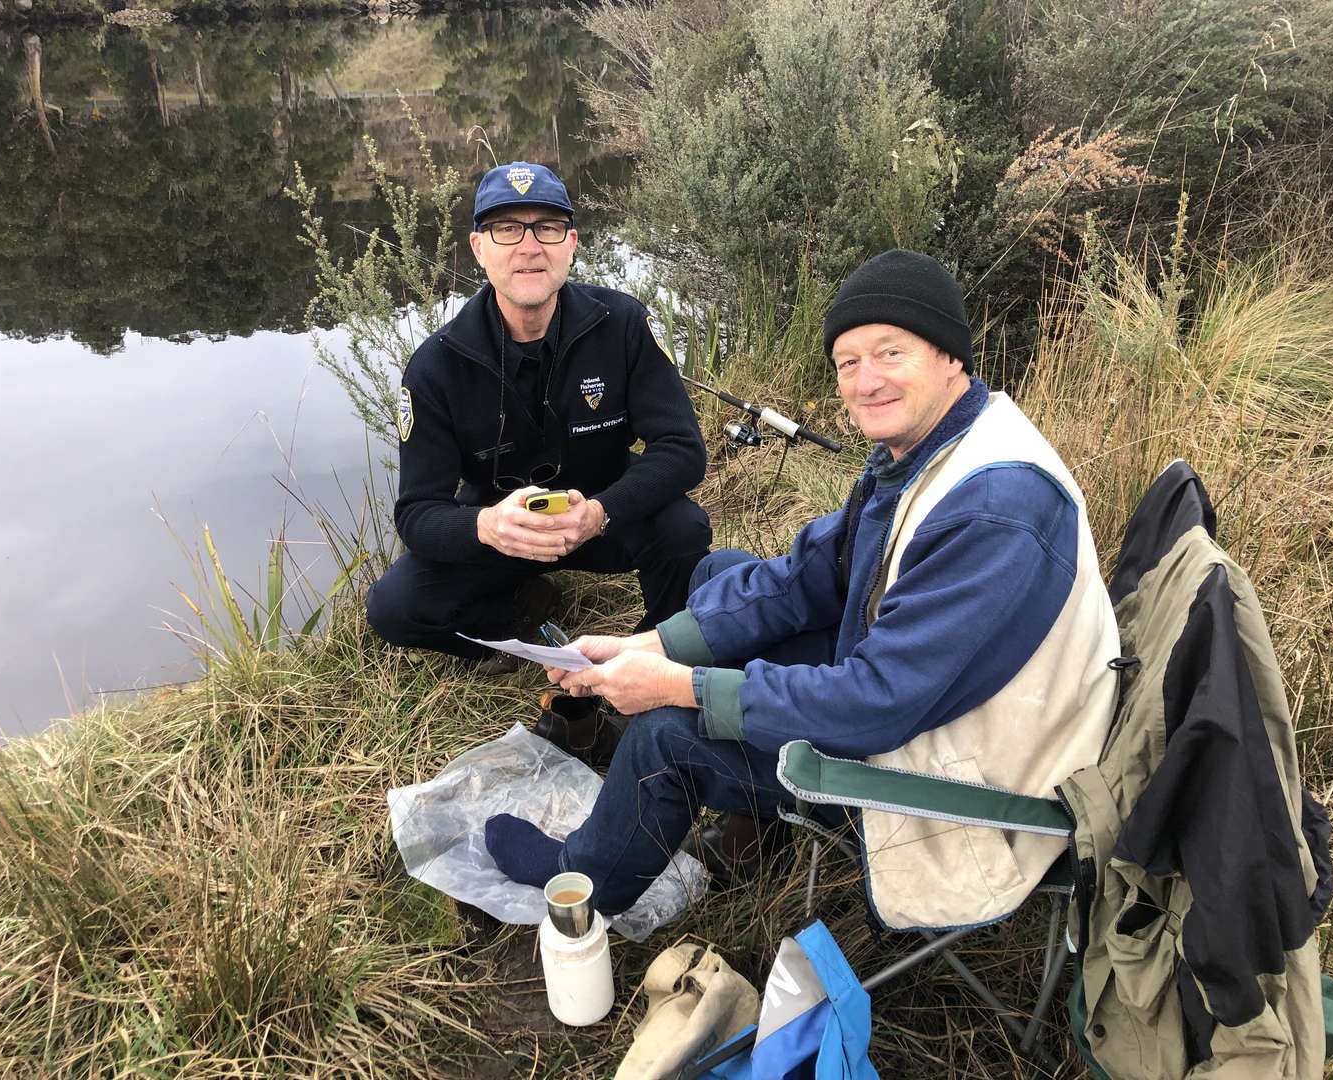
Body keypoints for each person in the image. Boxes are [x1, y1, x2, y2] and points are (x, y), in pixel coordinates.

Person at [483, 249, 1121, 929]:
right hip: (926, 697)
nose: (865, 382)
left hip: (964, 774)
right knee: (718, 575)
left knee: (664, 737)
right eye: (848, 363)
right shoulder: (931, 444)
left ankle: (583, 882)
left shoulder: (994, 509)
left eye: (891, 353)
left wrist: (679, 686)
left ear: (949, 356)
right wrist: (649, 645)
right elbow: (810, 574)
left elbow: (877, 703)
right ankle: (753, 828)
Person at [365, 162, 711, 677]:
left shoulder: (621, 324)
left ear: (571, 243)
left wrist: (600, 511)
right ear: (479, 248)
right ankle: (510, 622)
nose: (529, 247)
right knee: (392, 607)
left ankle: (648, 651)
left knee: (685, 529)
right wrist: (488, 527)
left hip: (603, 516)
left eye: (547, 227)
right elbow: (417, 513)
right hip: (503, 531)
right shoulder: (436, 366)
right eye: (507, 229)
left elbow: (682, 450)